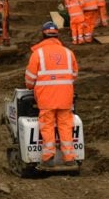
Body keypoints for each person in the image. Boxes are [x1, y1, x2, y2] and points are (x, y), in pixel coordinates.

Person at [24, 22, 78, 166]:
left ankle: (48, 157)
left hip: (46, 98)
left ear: (43, 34)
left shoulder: (38, 54)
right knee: (66, 125)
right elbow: (74, 75)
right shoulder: (68, 53)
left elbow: (30, 79)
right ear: (57, 35)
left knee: (47, 125)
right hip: (65, 97)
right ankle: (69, 158)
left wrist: (31, 86)